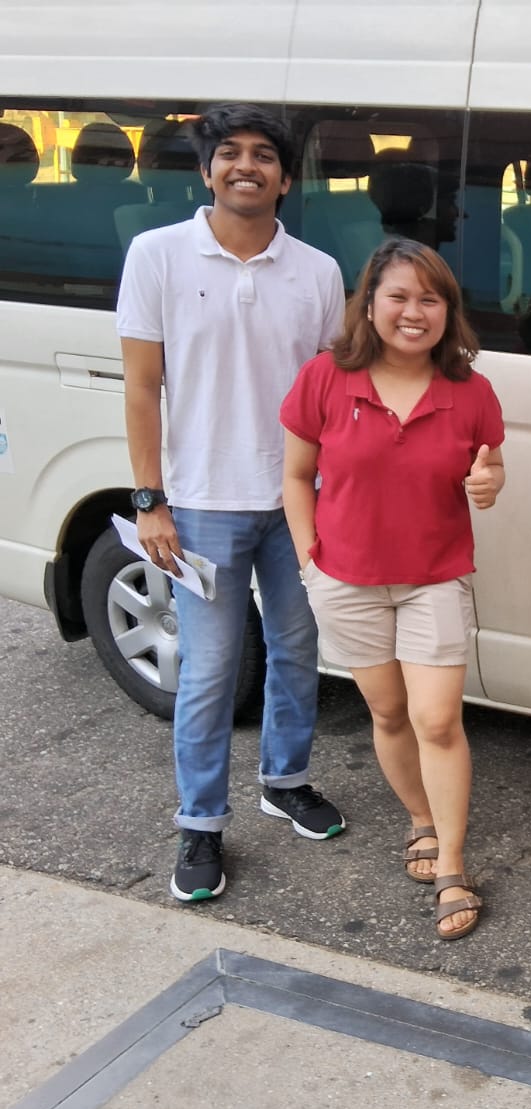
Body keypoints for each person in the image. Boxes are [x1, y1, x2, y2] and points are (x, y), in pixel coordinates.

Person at [117, 102, 348, 903]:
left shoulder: (318, 271)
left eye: (263, 155)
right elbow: (141, 388)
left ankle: (285, 781)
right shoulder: (157, 255)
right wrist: (150, 500)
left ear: (285, 179)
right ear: (207, 170)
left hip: (295, 499)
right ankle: (202, 824)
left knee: (297, 646)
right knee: (212, 670)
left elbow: (330, 395)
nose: (246, 165)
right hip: (201, 504)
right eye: (230, 153)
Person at [281, 238, 505, 941]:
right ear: (370, 303)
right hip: (345, 581)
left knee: (436, 720)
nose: (414, 312)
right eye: (399, 296)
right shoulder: (325, 377)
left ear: (448, 311)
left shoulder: (471, 391)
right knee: (387, 712)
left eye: (430, 299)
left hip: (433, 577)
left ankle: (452, 867)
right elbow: (296, 477)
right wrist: (310, 561)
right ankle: (420, 818)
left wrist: (489, 485)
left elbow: (490, 470)